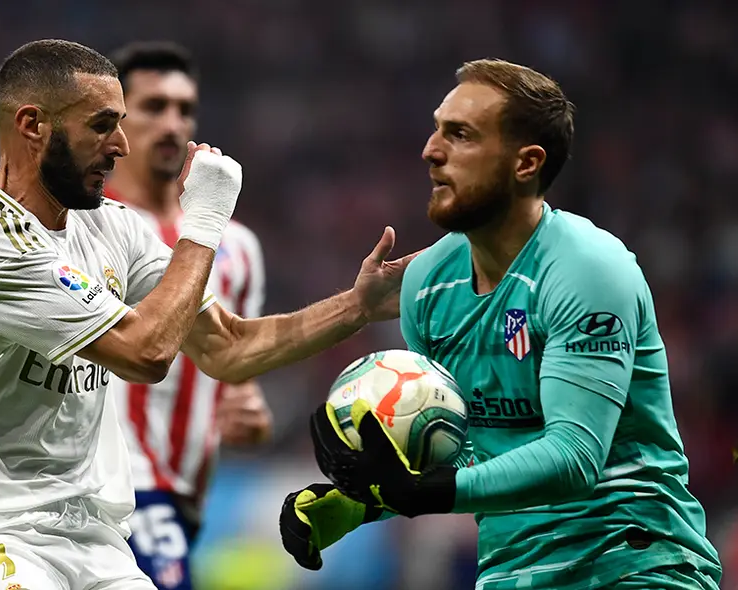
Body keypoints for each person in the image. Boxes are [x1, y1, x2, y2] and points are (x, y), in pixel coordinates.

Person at [0, 39, 412, 590]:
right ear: (32, 125)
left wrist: (357, 306)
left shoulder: (114, 227)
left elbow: (227, 348)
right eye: (101, 125)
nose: (120, 144)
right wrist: (205, 221)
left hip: (96, 545)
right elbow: (146, 353)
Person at [280, 58, 723, 590]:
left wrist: (429, 493)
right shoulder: (428, 285)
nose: (431, 150)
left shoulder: (586, 269)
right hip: (508, 573)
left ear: (526, 163)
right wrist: (364, 499)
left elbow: (574, 456)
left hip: (630, 563)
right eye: (437, 128)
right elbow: (467, 450)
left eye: (460, 135)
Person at [103, 41, 271, 590]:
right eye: (153, 107)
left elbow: (235, 368)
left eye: (185, 108)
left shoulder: (239, 248)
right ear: (116, 122)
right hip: (112, 484)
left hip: (186, 497)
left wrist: (248, 408)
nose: (173, 123)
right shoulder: (84, 226)